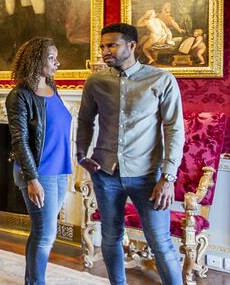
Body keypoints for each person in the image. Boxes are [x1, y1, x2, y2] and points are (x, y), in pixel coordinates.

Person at [77, 23, 185, 285]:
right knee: (111, 236)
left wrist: (168, 177)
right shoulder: (96, 82)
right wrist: (81, 154)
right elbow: (84, 121)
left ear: (132, 46)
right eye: (103, 46)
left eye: (112, 45)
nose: (105, 51)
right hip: (105, 174)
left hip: (148, 178)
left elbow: (174, 129)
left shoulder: (161, 80)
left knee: (160, 242)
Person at [5, 37, 72, 285]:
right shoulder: (19, 96)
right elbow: (19, 140)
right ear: (36, 60)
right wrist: (32, 178)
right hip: (38, 173)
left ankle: (31, 280)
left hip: (59, 170)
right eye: (52, 58)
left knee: (43, 232)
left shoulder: (53, 89)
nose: (58, 63)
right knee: (46, 234)